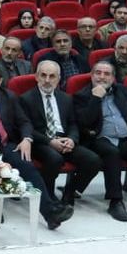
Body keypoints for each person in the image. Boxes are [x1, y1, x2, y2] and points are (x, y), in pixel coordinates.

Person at [0, 62, 73, 229]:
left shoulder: (8, 96)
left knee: (27, 166)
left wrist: (26, 139)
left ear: (0, 80)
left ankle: (50, 213)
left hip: (5, 143)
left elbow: (23, 121)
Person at [74, 62, 127, 220]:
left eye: (107, 74)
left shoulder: (123, 91)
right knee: (111, 153)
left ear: (113, 78)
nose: (102, 77)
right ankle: (116, 201)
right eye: (98, 73)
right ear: (91, 76)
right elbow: (84, 122)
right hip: (98, 139)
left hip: (125, 139)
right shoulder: (82, 95)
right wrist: (96, 98)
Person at [20, 61, 108, 216]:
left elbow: (73, 123)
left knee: (93, 160)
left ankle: (70, 191)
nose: (47, 80)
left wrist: (72, 139)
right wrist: (50, 142)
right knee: (54, 158)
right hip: (42, 142)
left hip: (64, 139)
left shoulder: (66, 98)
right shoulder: (26, 99)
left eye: (52, 76)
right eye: (43, 75)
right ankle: (49, 195)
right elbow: (26, 128)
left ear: (58, 79)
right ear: (36, 76)